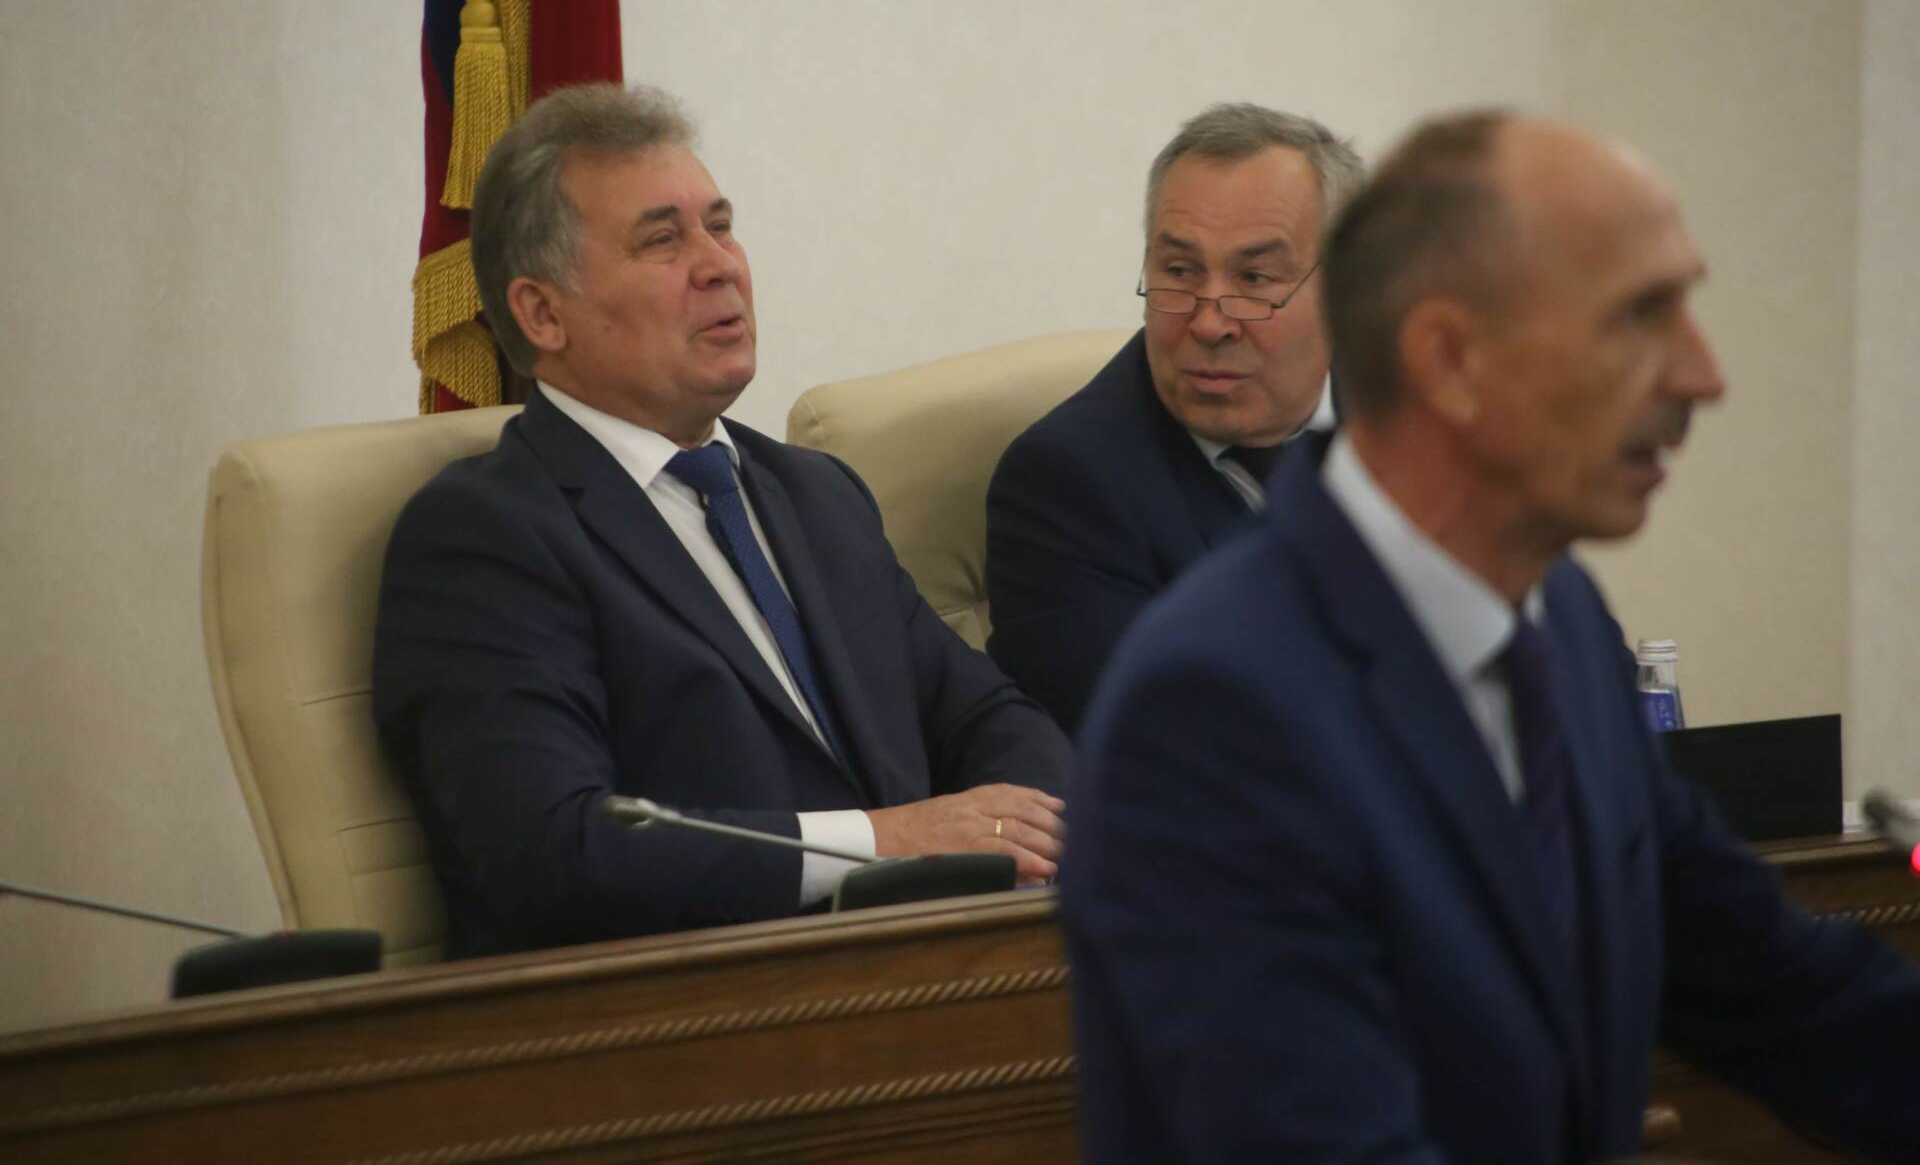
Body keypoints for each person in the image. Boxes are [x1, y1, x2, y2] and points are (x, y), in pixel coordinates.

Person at [1061, 111, 1920, 1161]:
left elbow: (1779, 986)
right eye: (1638, 319)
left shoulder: (1558, 619)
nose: (1702, 376)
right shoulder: (1216, 708)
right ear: (1451, 360)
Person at [374, 84, 1070, 959]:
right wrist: (885, 842)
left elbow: (989, 716)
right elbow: (549, 852)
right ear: (543, 313)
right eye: (662, 240)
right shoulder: (488, 535)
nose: (720, 266)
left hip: (928, 972)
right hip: (681, 1008)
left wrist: (1025, 835)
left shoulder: (815, 495)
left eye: (721, 226)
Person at [985, 103, 1361, 736]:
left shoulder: (1425, 418)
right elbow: (1176, 745)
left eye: (1255, 278)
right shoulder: (1064, 485)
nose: (1209, 323)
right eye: (1180, 272)